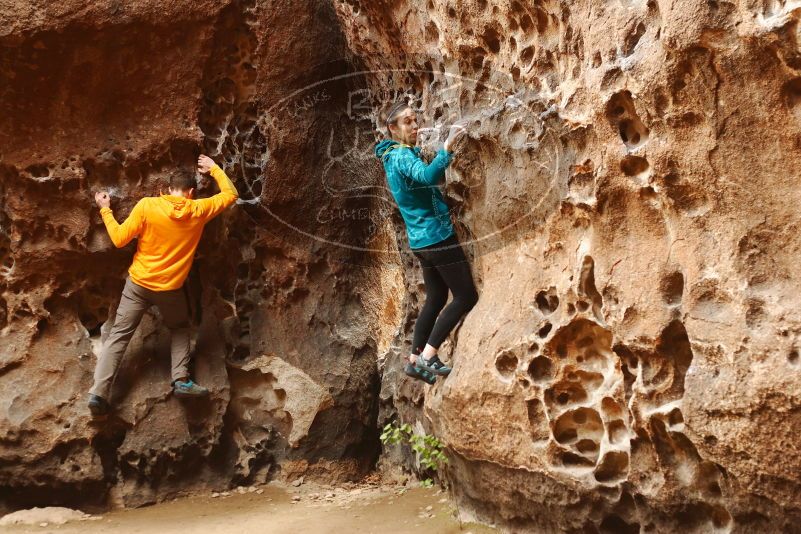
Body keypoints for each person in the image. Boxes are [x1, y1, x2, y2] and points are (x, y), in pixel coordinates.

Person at [87, 155, 238, 417]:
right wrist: (214, 169)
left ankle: (99, 394)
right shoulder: (198, 210)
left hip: (138, 285)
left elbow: (120, 239)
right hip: (170, 289)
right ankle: (180, 380)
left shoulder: (148, 205)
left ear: (167, 190)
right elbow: (231, 194)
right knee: (180, 328)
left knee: (119, 337)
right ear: (191, 193)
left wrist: (105, 209)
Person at [374, 102, 478, 385]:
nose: (415, 125)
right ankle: (429, 355)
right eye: (408, 122)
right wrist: (447, 147)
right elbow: (428, 176)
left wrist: (423, 145)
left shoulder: (392, 156)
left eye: (415, 120)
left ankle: (413, 360)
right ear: (392, 128)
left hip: (420, 241)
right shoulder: (402, 156)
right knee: (465, 296)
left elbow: (415, 179)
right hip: (437, 237)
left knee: (435, 297)